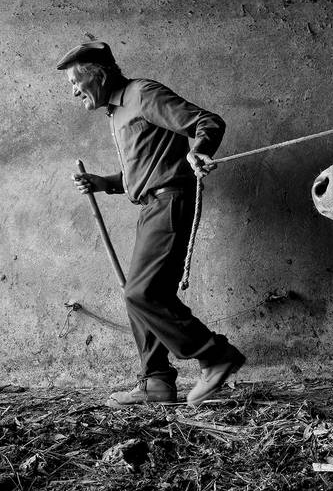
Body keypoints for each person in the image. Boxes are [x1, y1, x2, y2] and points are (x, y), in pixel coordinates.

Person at [57, 41, 245, 407]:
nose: (74, 90)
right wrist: (104, 183)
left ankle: (214, 354)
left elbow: (208, 123)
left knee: (141, 293)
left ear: (97, 74)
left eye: (76, 82)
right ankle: (156, 381)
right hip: (152, 205)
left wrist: (200, 150)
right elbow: (143, 170)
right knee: (141, 295)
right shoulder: (117, 112)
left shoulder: (141, 94)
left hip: (170, 201)